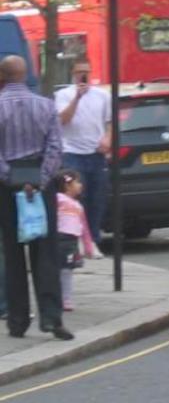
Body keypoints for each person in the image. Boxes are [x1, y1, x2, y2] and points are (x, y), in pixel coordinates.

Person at [0, 55, 74, 340]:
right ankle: (52, 319)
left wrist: (13, 179)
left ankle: (18, 322)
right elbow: (55, 148)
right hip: (40, 186)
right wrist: (38, 181)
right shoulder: (46, 106)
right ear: (25, 74)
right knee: (46, 253)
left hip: (7, 189)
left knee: (13, 254)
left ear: (2, 76)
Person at [55, 59, 111, 248]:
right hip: (72, 152)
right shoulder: (63, 95)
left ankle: (93, 238)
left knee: (97, 197)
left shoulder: (102, 95)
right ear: (73, 73)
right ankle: (77, 237)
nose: (83, 75)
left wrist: (108, 139)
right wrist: (77, 98)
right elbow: (62, 120)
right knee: (76, 197)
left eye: (86, 71)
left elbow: (109, 122)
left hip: (95, 153)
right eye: (79, 72)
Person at [55, 169, 97, 311]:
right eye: (77, 182)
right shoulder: (58, 198)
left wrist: (88, 247)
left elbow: (84, 228)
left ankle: (66, 298)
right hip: (58, 238)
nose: (81, 185)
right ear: (67, 185)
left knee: (67, 271)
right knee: (59, 270)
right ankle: (60, 297)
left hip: (71, 241)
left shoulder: (78, 206)